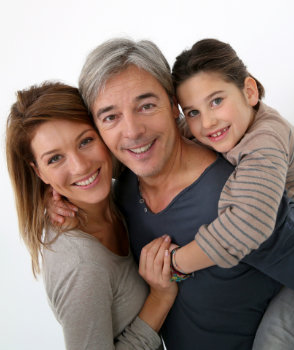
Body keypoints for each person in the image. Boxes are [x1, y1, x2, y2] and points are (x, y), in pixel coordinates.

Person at [51, 38, 294, 350]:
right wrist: (57, 195)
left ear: (171, 105)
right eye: (110, 116)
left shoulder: (244, 199)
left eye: (147, 106)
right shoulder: (126, 183)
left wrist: (175, 266)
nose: (133, 131)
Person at [5, 82, 177, 350]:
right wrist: (160, 297)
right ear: (38, 172)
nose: (80, 166)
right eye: (54, 159)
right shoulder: (81, 267)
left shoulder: (122, 192)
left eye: (85, 141)